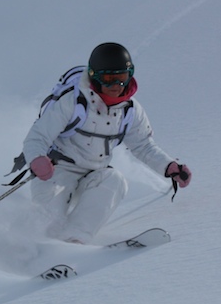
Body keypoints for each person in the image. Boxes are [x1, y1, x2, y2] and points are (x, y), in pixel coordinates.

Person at [16, 42, 191, 243]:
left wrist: (169, 167)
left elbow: (143, 145)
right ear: (94, 76)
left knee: (115, 180)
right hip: (56, 171)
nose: (116, 86)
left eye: (122, 78)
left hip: (94, 173)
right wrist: (37, 159)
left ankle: (73, 243)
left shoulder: (130, 110)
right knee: (47, 227)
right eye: (109, 79)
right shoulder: (73, 102)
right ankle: (21, 252)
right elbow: (37, 137)